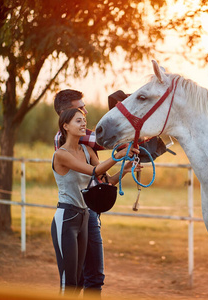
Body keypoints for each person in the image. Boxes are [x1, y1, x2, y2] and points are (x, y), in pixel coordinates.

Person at [51, 107, 141, 296]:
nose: (84, 123)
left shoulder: (87, 150)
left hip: (84, 217)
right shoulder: (61, 154)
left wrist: (124, 170)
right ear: (65, 126)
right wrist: (117, 156)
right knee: (69, 284)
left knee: (80, 281)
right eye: (78, 120)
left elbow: (105, 180)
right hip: (66, 218)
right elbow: (94, 171)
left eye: (84, 120)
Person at [53, 89, 107, 297]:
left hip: (85, 213)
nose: (85, 113)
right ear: (65, 118)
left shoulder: (85, 147)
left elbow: (104, 178)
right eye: (80, 110)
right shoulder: (63, 145)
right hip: (71, 214)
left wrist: (126, 165)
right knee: (74, 282)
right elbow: (103, 142)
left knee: (89, 277)